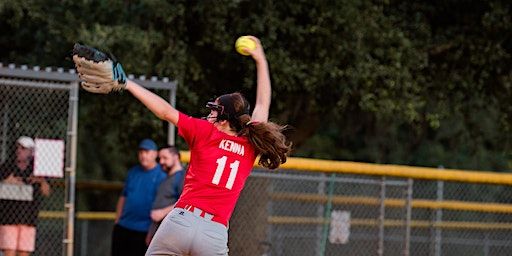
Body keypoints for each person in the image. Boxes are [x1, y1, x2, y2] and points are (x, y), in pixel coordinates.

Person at [75, 36, 291, 255]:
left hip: (180, 221)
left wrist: (128, 83)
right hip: (214, 233)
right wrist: (261, 60)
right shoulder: (249, 145)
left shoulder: (205, 132)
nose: (210, 113)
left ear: (224, 120)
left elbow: (165, 111)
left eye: (215, 110)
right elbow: (263, 102)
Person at [111, 138, 166, 256]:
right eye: (141, 152)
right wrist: (117, 220)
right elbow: (123, 196)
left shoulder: (161, 175)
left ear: (155, 154)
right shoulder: (133, 172)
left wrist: (152, 230)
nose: (143, 155)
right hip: (123, 226)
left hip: (144, 230)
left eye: (147, 152)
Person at [0, 136, 51, 256]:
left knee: (24, 252)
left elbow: (47, 192)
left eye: (23, 148)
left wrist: (41, 181)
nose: (19, 150)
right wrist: (6, 182)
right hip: (9, 216)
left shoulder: (37, 169)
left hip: (29, 217)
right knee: (9, 251)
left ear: (31, 152)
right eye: (18, 147)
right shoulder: (7, 166)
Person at [145, 145, 186, 246]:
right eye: (160, 158)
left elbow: (185, 202)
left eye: (165, 158)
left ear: (176, 157)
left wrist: (162, 212)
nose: (161, 161)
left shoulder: (182, 177)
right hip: (157, 231)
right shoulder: (166, 178)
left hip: (171, 233)